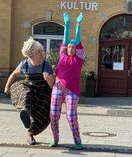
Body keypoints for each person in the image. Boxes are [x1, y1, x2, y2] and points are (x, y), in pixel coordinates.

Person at [4, 37, 55, 145]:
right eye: (39, 52)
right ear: (31, 55)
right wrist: (7, 87)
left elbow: (52, 84)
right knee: (25, 93)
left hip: (42, 90)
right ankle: (25, 111)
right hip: (28, 86)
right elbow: (13, 74)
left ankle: (30, 133)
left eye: (42, 51)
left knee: (43, 109)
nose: (42, 53)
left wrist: (48, 79)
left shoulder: (46, 65)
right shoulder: (25, 64)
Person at [49, 12, 85, 150]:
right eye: (69, 46)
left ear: (77, 49)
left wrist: (78, 24)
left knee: (71, 116)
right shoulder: (62, 55)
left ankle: (77, 140)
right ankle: (55, 138)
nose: (70, 48)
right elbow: (65, 38)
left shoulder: (79, 58)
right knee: (54, 115)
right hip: (58, 87)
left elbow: (78, 38)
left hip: (72, 90)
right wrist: (67, 24)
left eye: (73, 47)